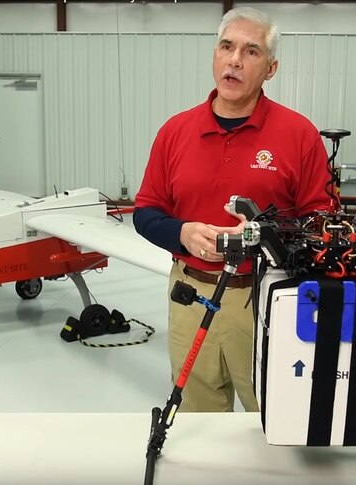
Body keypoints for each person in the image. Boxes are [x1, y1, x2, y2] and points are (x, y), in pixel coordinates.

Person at [133, 7, 333, 412]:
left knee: (275, 415)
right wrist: (183, 233)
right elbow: (146, 212)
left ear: (270, 68)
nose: (235, 60)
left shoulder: (299, 135)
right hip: (190, 294)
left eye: (251, 51)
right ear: (214, 55)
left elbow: (322, 223)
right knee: (198, 417)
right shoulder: (175, 132)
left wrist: (270, 233)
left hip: (266, 298)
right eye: (227, 47)